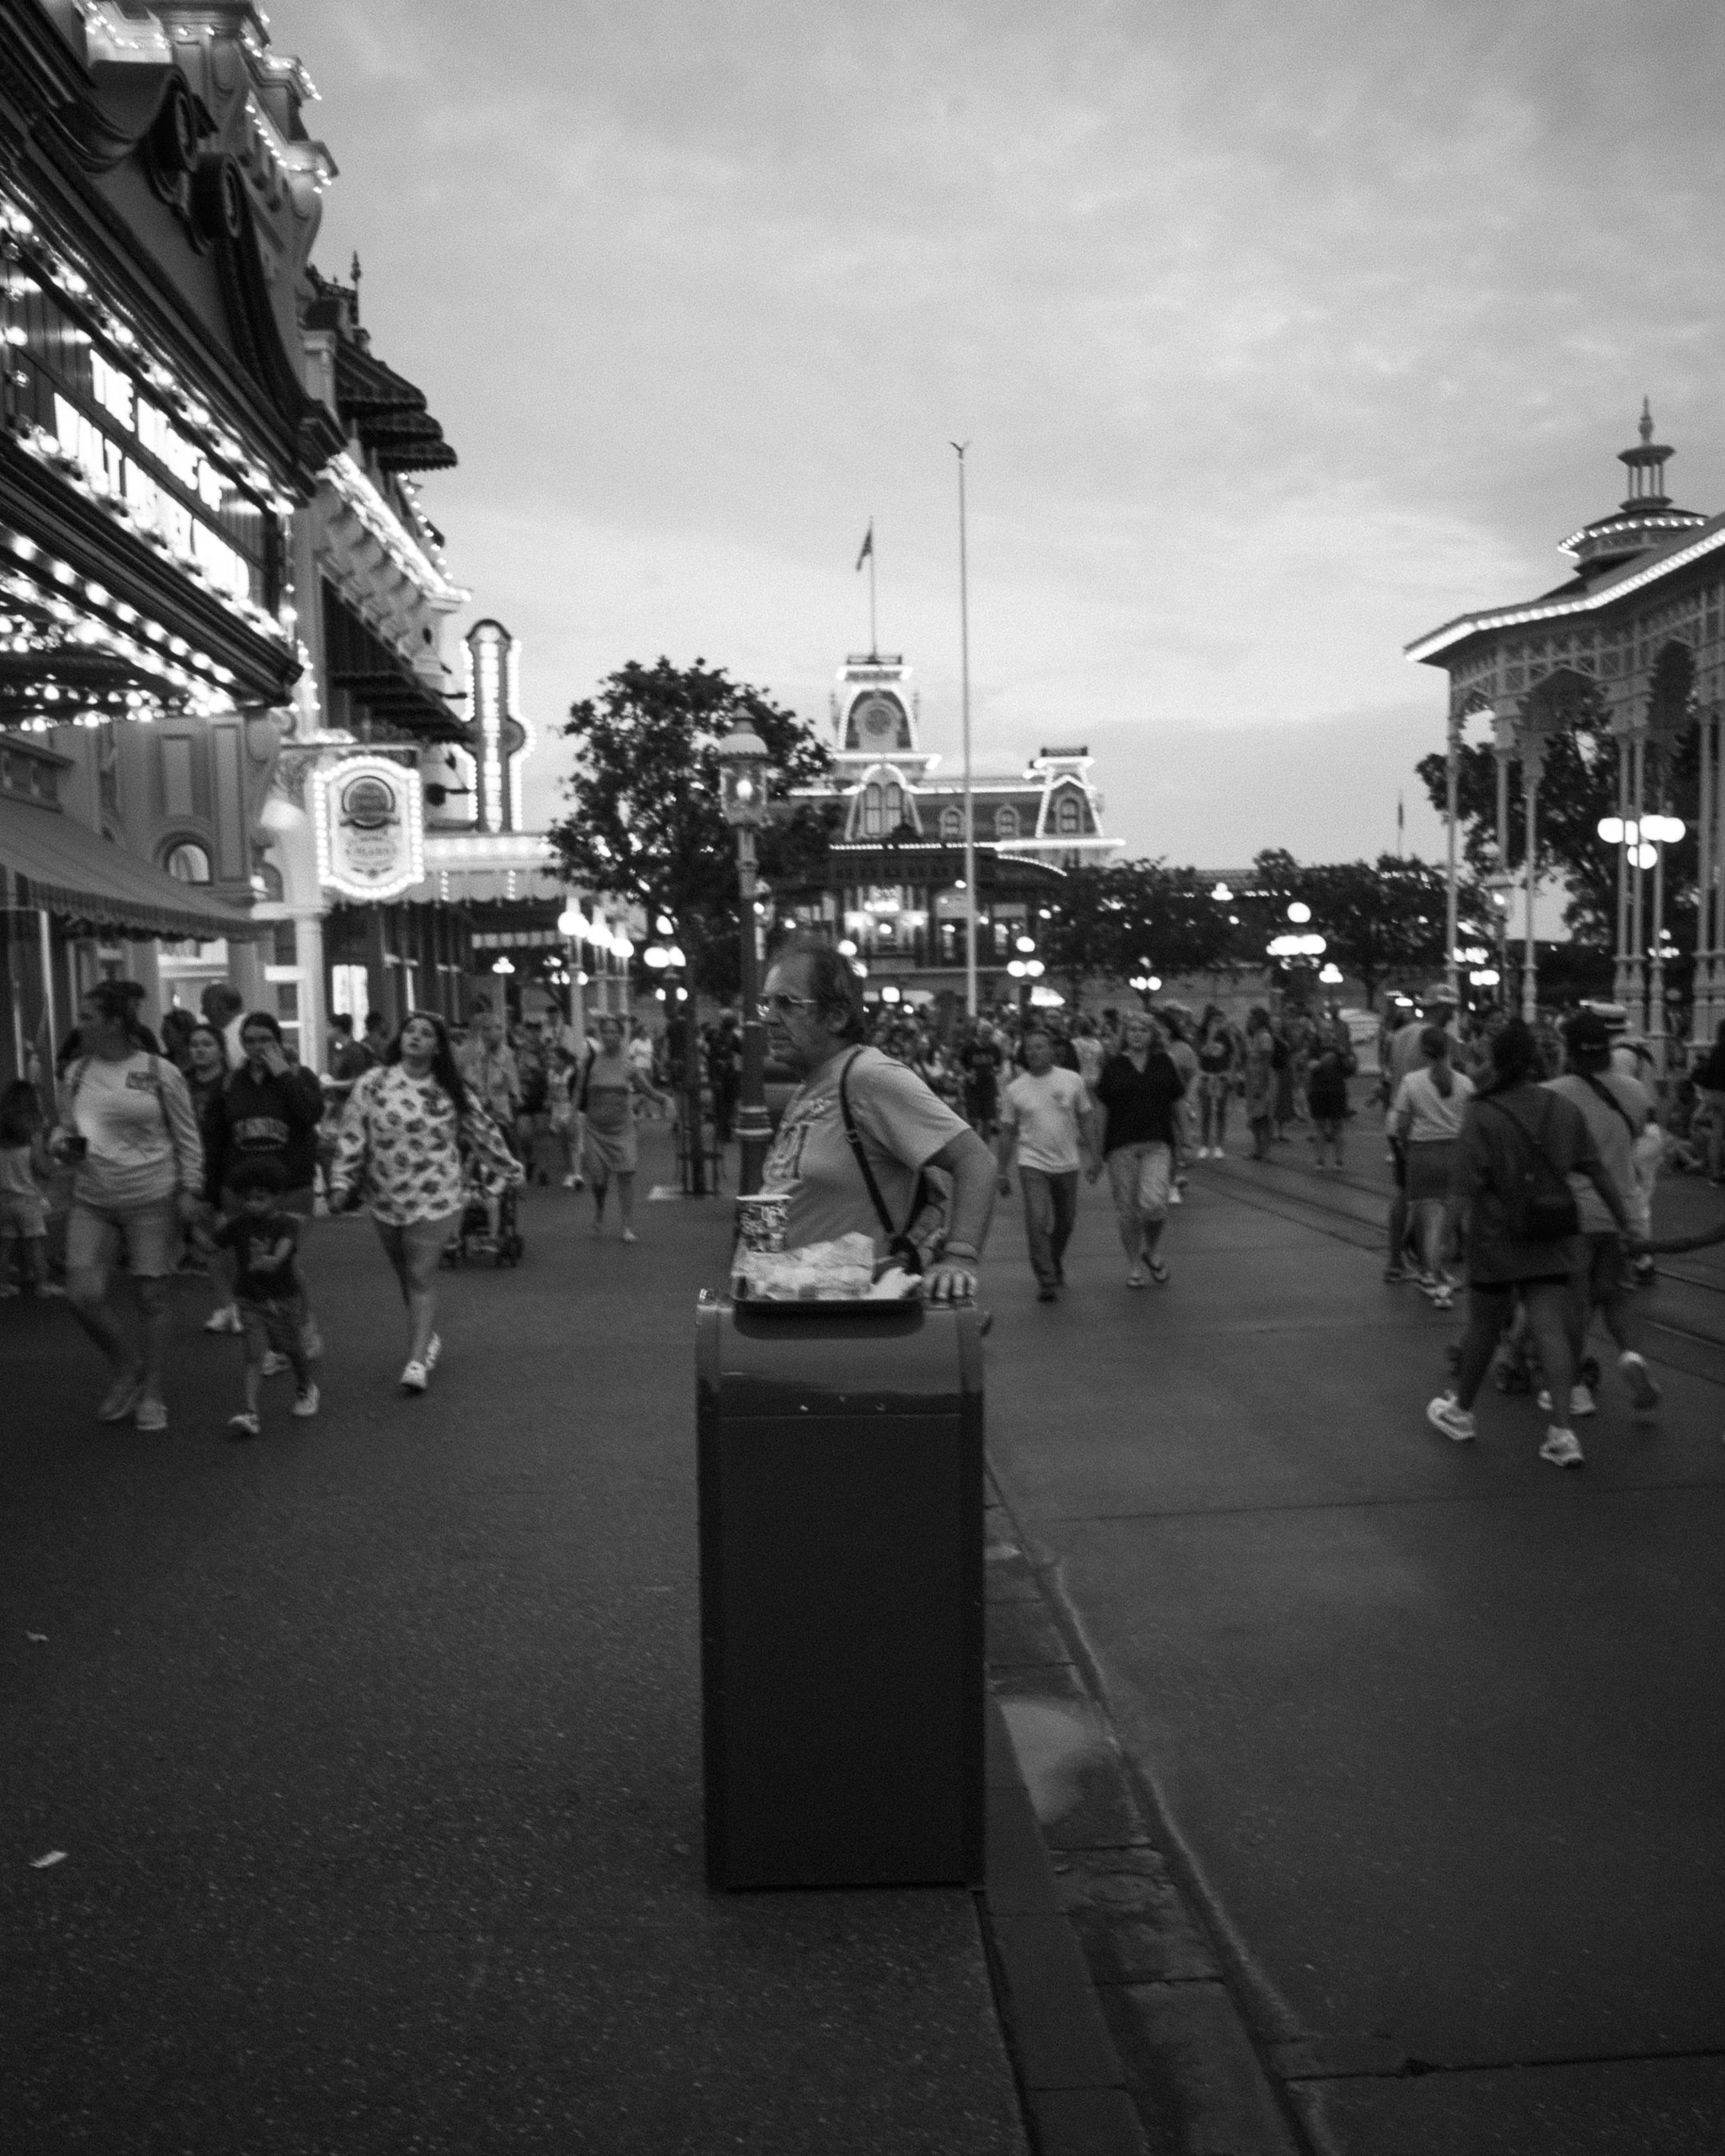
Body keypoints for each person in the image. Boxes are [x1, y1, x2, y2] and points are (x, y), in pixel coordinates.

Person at [1426, 1020, 1634, 1469]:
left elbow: (1463, 1187)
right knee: (1552, 1330)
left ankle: (1460, 1412)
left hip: (1497, 1239)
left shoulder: (1482, 1113)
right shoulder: (1561, 1108)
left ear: (1497, 1062)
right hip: (1553, 1234)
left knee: (1482, 1327)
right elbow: (1597, 1171)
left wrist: (1444, 1242)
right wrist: (1626, 1222)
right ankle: (1562, 1433)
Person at [758, 939, 995, 1300]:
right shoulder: (810, 1087)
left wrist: (959, 1257)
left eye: (788, 1004)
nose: (771, 1018)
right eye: (767, 1003)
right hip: (794, 1307)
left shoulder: (869, 1076)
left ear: (837, 1016)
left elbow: (975, 1160)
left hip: (859, 1320)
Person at [328, 1013, 522, 1393]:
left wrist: (509, 1170)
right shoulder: (374, 1083)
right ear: (400, 1039)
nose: (416, 1037)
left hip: (436, 1194)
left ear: (438, 1047)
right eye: (411, 1031)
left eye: (426, 1034)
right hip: (385, 1193)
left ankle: (416, 1361)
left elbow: (482, 1130)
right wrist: (340, 1181)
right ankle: (426, 1334)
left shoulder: (450, 1090)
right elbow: (352, 1134)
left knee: (420, 1275)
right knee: (405, 1273)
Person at [52, 980, 204, 1431]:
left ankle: (152, 1392)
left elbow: (187, 1136)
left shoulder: (159, 1072)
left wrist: (189, 1189)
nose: (80, 1025)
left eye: (88, 1017)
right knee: (82, 1295)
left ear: (115, 1022)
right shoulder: (76, 1073)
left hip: (151, 1196)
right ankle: (126, 1367)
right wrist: (62, 1145)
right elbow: (64, 1127)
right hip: (93, 1197)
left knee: (151, 1295)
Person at [1544, 1009, 1661, 1417]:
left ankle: (1573, 1388)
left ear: (1570, 1051)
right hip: (1620, 1212)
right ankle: (1631, 1356)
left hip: (1572, 1215)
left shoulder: (1553, 1093)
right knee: (1616, 1297)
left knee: (1573, 1307)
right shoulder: (1633, 1091)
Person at [201, 1012, 326, 1360]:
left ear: (278, 1041)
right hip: (241, 1185)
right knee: (249, 1264)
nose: (257, 1047)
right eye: (250, 1040)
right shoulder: (229, 1084)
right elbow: (215, 1139)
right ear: (241, 1044)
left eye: (265, 1040)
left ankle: (303, 1327)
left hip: (289, 1185)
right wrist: (211, 1191)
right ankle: (271, 1338)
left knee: (285, 1262)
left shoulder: (298, 1077)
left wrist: (283, 1075)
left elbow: (310, 1114)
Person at [201, 1158, 319, 1437]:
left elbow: (280, 1257)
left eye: (260, 1198)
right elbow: (211, 1247)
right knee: (253, 1355)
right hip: (249, 1299)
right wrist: (192, 1227)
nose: (252, 1204)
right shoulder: (238, 1225)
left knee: (291, 1348)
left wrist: (265, 1260)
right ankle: (251, 1412)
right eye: (248, 1199)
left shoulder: (287, 1224)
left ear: (277, 1197)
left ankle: (306, 1387)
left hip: (281, 1298)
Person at [995, 1024, 1100, 1302]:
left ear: (1054, 1051)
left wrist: (1095, 1155)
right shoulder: (1015, 1089)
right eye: (1029, 1048)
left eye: (1041, 1046)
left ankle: (1053, 1261)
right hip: (1032, 1162)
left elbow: (1087, 1118)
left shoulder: (1071, 1080)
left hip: (1067, 1162)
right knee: (1037, 1220)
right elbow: (1007, 1131)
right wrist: (1002, 1171)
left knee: (1065, 1223)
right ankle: (1046, 1278)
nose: (1035, 1052)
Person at [1093, 1010, 1186, 1287]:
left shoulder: (1164, 1063)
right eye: (1132, 1030)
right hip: (1122, 1145)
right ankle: (1134, 1264)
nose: (1137, 1035)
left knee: (1155, 1204)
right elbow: (1102, 1109)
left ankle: (1152, 1249)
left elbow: (1177, 1102)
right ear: (1125, 1034)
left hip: (1157, 1143)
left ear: (1152, 1035)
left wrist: (1186, 1139)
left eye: (1143, 1030)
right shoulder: (1113, 1066)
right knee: (1127, 1209)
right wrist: (1098, 1149)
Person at [1390, 1026, 1473, 1307]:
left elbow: (1402, 1122)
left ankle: (1433, 1279)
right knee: (1449, 1223)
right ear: (1449, 1050)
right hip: (1456, 1155)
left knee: (1430, 1224)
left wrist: (1406, 1146)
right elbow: (1472, 1121)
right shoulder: (1464, 1083)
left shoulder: (1412, 1081)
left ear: (1423, 1053)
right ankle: (1442, 1274)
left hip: (1423, 1154)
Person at [578, 1012, 666, 1240]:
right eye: (605, 1032)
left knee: (626, 1174)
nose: (609, 1036)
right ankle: (599, 1212)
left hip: (622, 1128)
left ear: (621, 1036)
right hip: (595, 1129)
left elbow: (646, 1089)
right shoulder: (590, 1062)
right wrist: (571, 1116)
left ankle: (627, 1226)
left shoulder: (628, 1065)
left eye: (613, 1032)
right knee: (599, 1181)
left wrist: (665, 1100)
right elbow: (578, 1091)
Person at [0, 1079, 64, 1298]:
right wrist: (54, 1160)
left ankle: (2, 1286)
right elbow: (42, 1169)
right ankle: (43, 1285)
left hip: (3, 1201)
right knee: (36, 1244)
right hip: (27, 1201)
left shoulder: (3, 1141)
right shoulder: (32, 1140)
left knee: (5, 1246)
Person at [1193, 1005, 1239, 1158]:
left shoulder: (1226, 1035)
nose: (1218, 1024)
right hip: (1206, 1076)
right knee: (1205, 1112)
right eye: (1215, 1021)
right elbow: (1202, 1052)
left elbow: (1233, 1054)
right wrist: (1211, 1037)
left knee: (1221, 1111)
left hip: (1221, 1077)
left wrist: (1231, 1074)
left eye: (1220, 1021)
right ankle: (1205, 1145)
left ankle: (1219, 1145)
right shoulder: (1201, 1034)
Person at [1307, 1031, 1353, 1172]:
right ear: (1319, 1035)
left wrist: (1344, 1055)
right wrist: (1323, 1060)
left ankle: (1339, 1161)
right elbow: (1311, 1066)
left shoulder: (1340, 1050)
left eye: (1331, 1032)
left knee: (1338, 1125)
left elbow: (1350, 1069)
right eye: (1324, 1032)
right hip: (1319, 1091)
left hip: (1337, 1091)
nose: (1327, 1035)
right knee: (1319, 1125)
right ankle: (1320, 1160)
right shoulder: (1314, 1049)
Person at [1243, 1008, 1277, 1161]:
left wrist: (1262, 1086)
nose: (1249, 1021)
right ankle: (1257, 1148)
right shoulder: (1253, 1037)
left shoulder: (1264, 1037)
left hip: (1262, 1080)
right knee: (1255, 1116)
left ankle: (1267, 1150)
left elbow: (1266, 1062)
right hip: (1252, 1078)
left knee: (1265, 1116)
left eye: (1252, 1018)